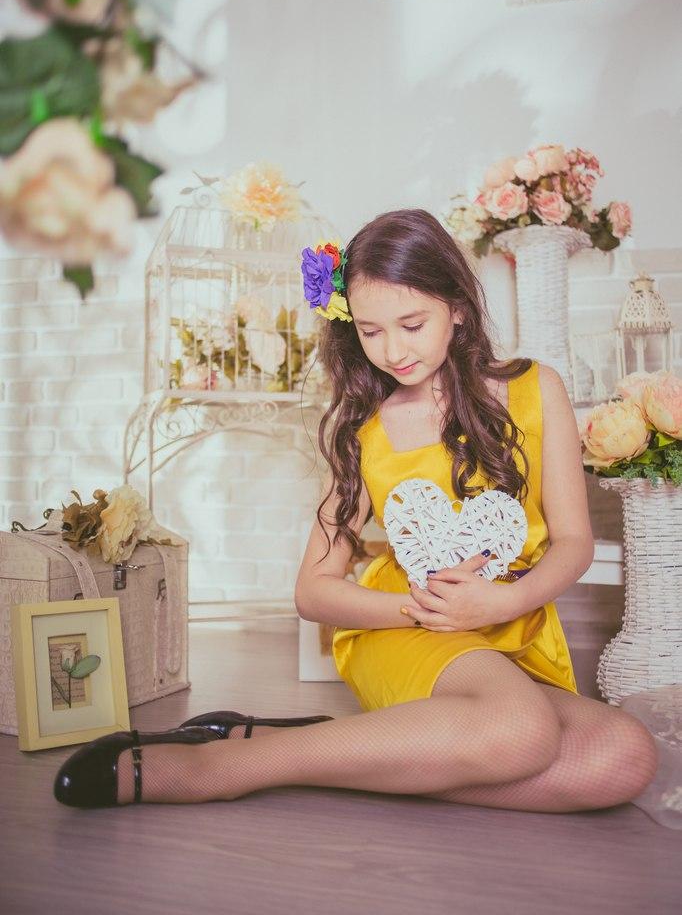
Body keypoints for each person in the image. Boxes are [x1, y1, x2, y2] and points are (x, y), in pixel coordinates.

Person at [54, 208, 658, 812]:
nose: (393, 350)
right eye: (370, 332)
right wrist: (424, 610)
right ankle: (227, 765)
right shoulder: (362, 430)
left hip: (513, 623)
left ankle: (341, 746)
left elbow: (573, 542)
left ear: (458, 307)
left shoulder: (537, 387)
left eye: (412, 324)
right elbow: (313, 591)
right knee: (521, 730)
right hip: (403, 629)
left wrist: (502, 602)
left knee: (623, 755)